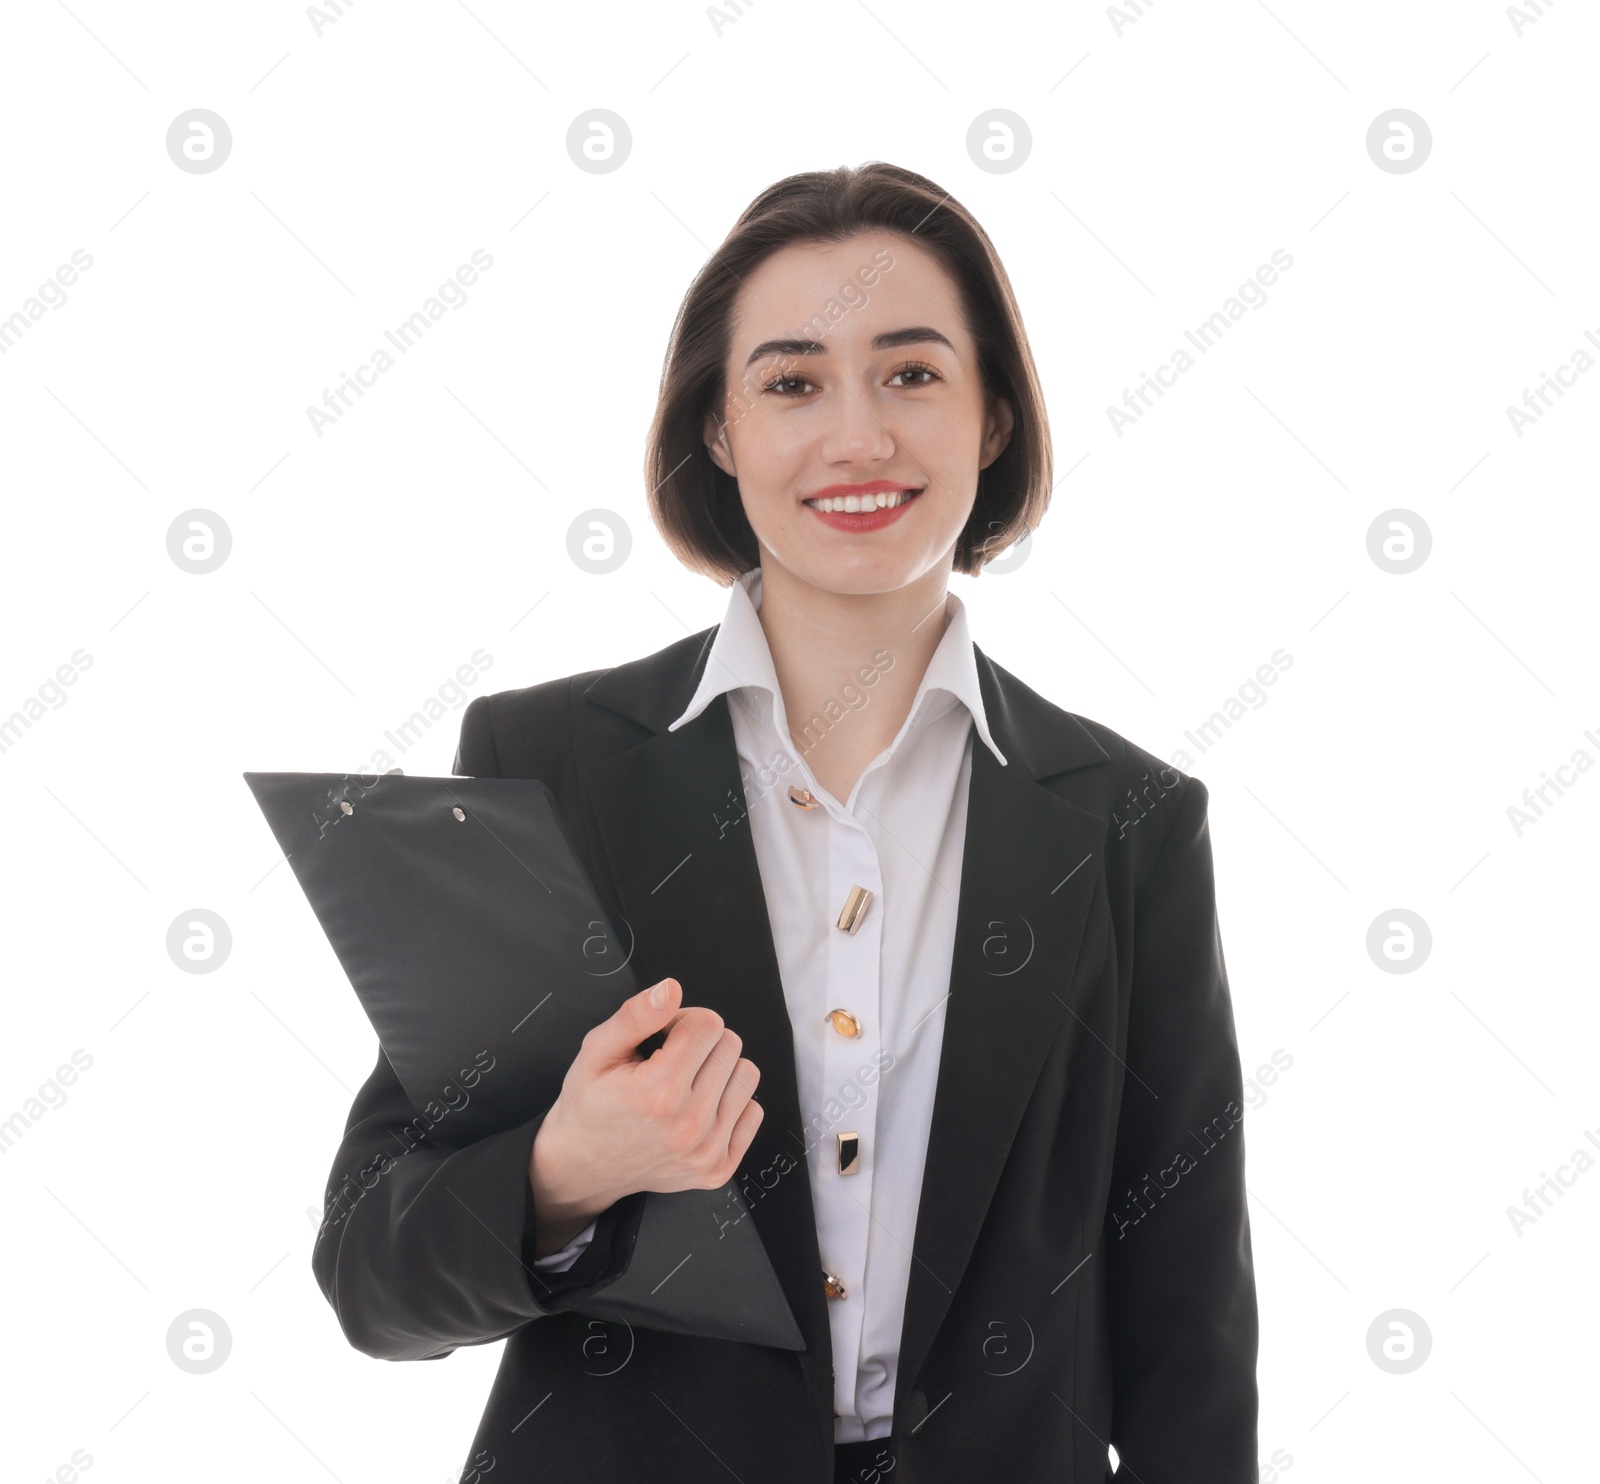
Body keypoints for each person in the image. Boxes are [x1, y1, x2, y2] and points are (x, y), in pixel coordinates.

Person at [313, 161, 1258, 1484]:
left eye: (913, 374)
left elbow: (1188, 1322)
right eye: (793, 381)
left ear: (994, 417)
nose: (858, 437)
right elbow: (375, 1271)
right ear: (722, 431)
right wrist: (564, 1171)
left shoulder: (1129, 821)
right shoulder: (551, 765)